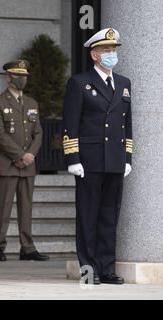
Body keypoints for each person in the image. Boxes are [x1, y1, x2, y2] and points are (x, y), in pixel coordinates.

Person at [62, 28, 132, 285]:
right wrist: (73, 158)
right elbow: (70, 123)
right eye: (106, 51)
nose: (111, 54)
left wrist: (127, 158)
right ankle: (89, 270)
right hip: (89, 160)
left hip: (114, 158)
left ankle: (107, 268)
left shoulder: (124, 83)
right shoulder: (80, 83)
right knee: (88, 216)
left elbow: (128, 124)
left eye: (114, 50)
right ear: (94, 55)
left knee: (109, 217)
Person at [0, 60, 49, 262]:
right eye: (17, 75)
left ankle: (27, 247)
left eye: (24, 76)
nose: (22, 79)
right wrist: (19, 156)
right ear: (8, 77)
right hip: (7, 164)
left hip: (28, 165)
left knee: (26, 208)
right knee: (2, 207)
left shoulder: (32, 103)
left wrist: (30, 154)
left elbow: (38, 133)